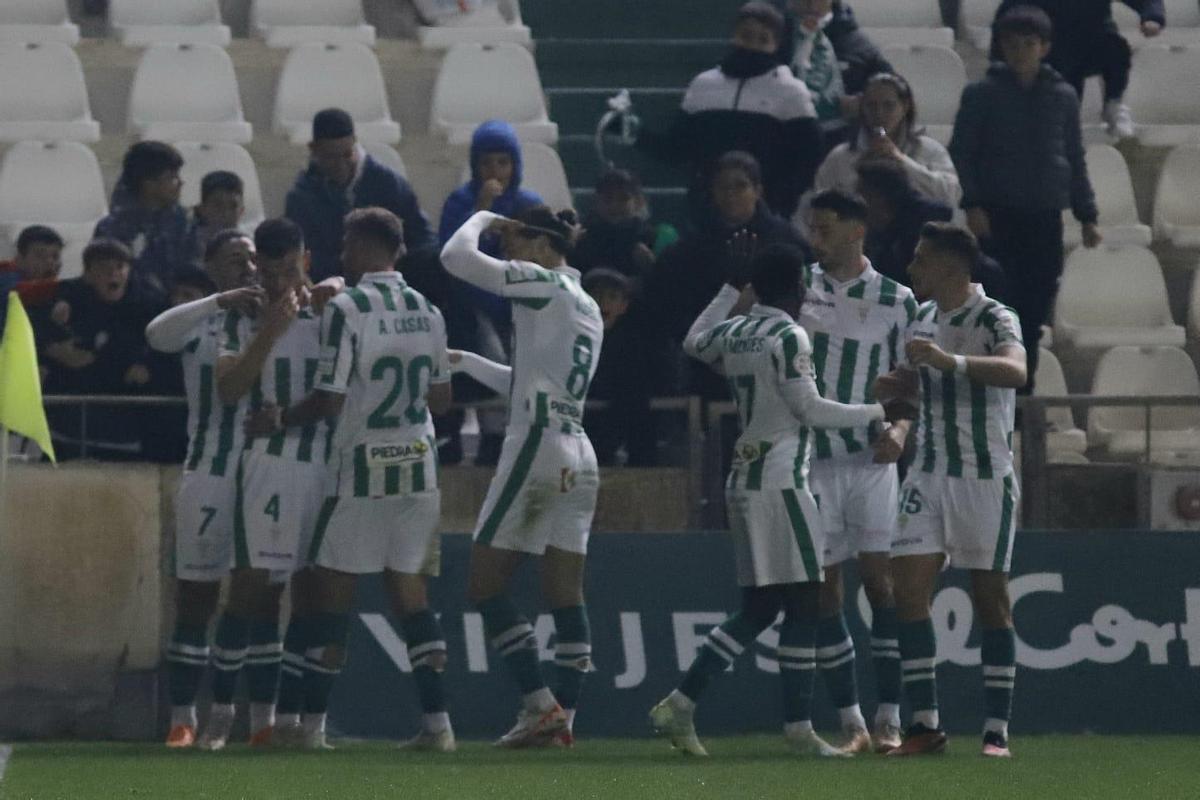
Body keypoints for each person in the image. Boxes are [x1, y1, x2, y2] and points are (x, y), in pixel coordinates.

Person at [650, 243, 886, 757]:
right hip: (782, 480)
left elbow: (693, 342)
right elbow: (810, 409)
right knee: (804, 603)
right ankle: (798, 730)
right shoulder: (787, 334)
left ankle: (681, 702)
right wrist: (876, 410)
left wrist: (729, 290)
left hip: (744, 478)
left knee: (761, 607)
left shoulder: (735, 330)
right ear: (798, 287)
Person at [243, 208, 457, 752]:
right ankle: (440, 728)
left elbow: (330, 398)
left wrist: (281, 418)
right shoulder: (427, 309)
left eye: (345, 241)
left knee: (330, 598)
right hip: (420, 463)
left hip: (363, 465)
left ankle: (312, 729)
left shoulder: (348, 307)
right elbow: (442, 399)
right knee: (410, 592)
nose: (341, 251)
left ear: (363, 244)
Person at [440, 206, 604, 748]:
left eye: (516, 239)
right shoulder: (586, 303)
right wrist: (467, 361)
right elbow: (531, 377)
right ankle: (567, 722)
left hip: (535, 442)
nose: (508, 249)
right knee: (565, 593)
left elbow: (455, 257)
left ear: (543, 242)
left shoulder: (543, 283)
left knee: (485, 585)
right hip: (578, 448)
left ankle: (539, 704)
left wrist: (484, 216)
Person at [875, 222, 1025, 758]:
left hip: (985, 478)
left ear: (951, 266)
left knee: (991, 600)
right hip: (929, 475)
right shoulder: (921, 318)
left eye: (920, 259)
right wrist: (895, 390)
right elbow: (914, 386)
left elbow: (1015, 371)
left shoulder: (994, 316)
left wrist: (950, 362)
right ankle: (925, 725)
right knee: (907, 593)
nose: (912, 269)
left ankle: (995, 731)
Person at [796, 189, 916, 754]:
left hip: (870, 460)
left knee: (880, 584)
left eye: (825, 228)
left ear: (855, 230)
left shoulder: (897, 299)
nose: (815, 238)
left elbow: (912, 382)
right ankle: (851, 720)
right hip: (811, 459)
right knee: (825, 591)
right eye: (812, 229)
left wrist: (900, 430)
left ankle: (890, 714)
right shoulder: (799, 287)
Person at [208, 219, 334, 750]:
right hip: (266, 466)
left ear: (305, 259)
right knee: (250, 588)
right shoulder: (245, 315)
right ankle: (221, 718)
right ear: (257, 264)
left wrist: (338, 289)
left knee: (312, 595)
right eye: (270, 269)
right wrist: (269, 334)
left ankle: (299, 724)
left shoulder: (332, 310)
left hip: (324, 465)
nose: (280, 281)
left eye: (289, 269)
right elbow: (232, 388)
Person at [144, 229, 262, 748]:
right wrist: (216, 300)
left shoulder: (276, 317)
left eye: (252, 258)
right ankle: (182, 717)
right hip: (208, 472)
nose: (247, 266)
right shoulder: (202, 321)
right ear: (212, 265)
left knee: (254, 595)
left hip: (264, 472)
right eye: (235, 259)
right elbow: (155, 335)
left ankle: (243, 716)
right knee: (196, 594)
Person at [949, 4, 1099, 392]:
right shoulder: (981, 94)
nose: (1020, 52)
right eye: (1012, 44)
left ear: (1044, 47)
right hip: (997, 217)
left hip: (1044, 217)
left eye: (1028, 44)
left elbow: (1073, 155)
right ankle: (993, 401)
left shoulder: (1063, 96)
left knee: (1032, 315)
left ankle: (1023, 402)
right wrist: (973, 205)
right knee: (998, 310)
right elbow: (962, 153)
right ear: (1001, 46)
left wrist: (1087, 213)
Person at [638, 2, 821, 219]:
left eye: (763, 39)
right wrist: (634, 134)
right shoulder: (703, 84)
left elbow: (808, 159)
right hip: (706, 212)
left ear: (776, 45)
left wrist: (780, 200)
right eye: (746, 35)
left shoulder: (791, 91)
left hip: (765, 214)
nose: (752, 45)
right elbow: (677, 148)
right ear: (734, 35)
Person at [648, 151, 807, 399]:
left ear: (758, 190)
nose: (731, 195)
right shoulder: (692, 247)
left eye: (740, 186)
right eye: (723, 187)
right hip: (708, 359)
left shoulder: (786, 241)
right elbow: (673, 303)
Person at [437, 119, 545, 467]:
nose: (495, 170)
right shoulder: (459, 202)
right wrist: (481, 213)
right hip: (473, 305)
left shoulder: (528, 205)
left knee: (519, 361)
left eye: (503, 162)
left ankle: (505, 437)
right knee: (492, 360)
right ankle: (487, 435)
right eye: (486, 163)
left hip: (518, 303)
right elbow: (453, 256)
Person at [34, 238, 162, 460]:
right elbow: (36, 334)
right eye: (104, 268)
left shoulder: (146, 307)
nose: (113, 274)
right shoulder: (68, 301)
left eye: (120, 267)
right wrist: (51, 350)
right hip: (67, 428)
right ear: (88, 274)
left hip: (123, 429)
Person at [798, 72, 961, 233]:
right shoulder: (841, 156)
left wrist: (901, 160)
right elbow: (816, 204)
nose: (879, 114)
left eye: (888, 106)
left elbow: (949, 196)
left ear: (905, 107)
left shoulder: (929, 150)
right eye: (871, 106)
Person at [285, 108, 434, 283]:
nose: (340, 165)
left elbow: (421, 237)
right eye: (330, 157)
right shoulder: (302, 198)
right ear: (314, 150)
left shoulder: (388, 184)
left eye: (347, 155)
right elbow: (305, 253)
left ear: (355, 143)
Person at [991, 0, 1166, 139]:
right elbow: (1008, 15)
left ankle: (1113, 104)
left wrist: (1152, 16)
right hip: (1054, 54)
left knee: (1116, 49)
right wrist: (997, 64)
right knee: (1066, 114)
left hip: (1094, 43)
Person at [778, 0, 894, 148]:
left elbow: (893, 89)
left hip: (841, 146)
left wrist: (864, 103)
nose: (812, 4)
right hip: (782, 141)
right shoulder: (771, 36)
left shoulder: (859, 44)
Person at [580, 269, 661, 466]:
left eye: (612, 296)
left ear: (624, 305)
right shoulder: (571, 340)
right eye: (596, 295)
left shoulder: (633, 346)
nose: (603, 302)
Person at [94, 141, 191, 302]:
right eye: (172, 177)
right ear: (149, 184)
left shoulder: (183, 223)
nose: (180, 183)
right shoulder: (111, 229)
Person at [573, 169, 678, 283]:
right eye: (608, 199)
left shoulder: (658, 237)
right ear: (596, 201)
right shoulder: (581, 237)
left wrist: (652, 267)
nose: (615, 205)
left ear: (638, 201)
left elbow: (674, 283)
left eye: (623, 199)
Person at [187, 171, 246, 266]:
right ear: (202, 209)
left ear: (241, 211)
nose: (226, 213)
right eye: (217, 205)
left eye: (233, 206)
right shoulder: (188, 249)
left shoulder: (248, 248)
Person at [0, 225, 64, 308]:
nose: (50, 262)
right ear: (19, 258)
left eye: (55, 256)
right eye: (40, 255)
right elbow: (16, 294)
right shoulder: (5, 275)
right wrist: (62, 287)